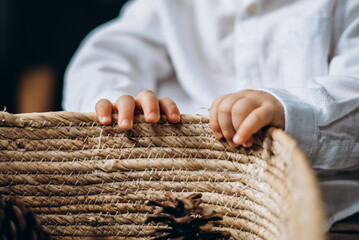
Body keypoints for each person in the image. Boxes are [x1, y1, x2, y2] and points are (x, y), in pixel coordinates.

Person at [63, 0, 359, 230]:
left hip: (320, 207)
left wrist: (291, 108)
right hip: (176, 205)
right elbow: (102, 58)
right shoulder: (169, 7)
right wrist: (118, 102)